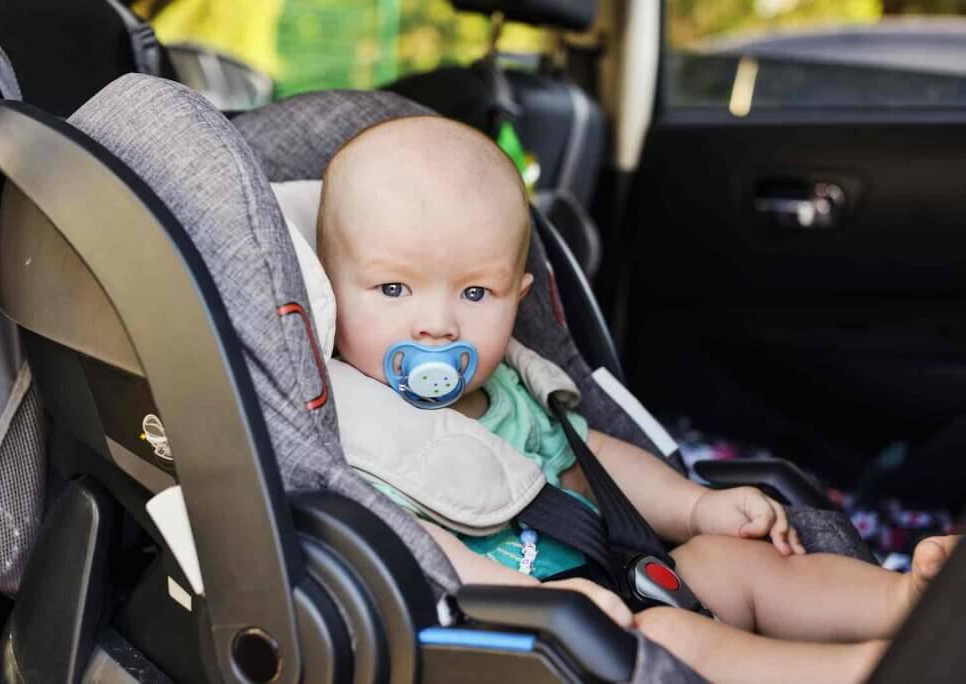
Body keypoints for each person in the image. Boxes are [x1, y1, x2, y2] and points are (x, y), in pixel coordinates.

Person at [314, 114, 958, 684]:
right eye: (394, 289)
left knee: (727, 560)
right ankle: (866, 672)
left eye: (475, 294)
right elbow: (419, 548)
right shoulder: (351, 430)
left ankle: (909, 607)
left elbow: (594, 463)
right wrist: (540, 601)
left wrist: (696, 506)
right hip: (522, 636)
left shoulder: (508, 388)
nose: (438, 325)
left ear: (520, 294)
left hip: (611, 580)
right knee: (670, 636)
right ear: (329, 289)